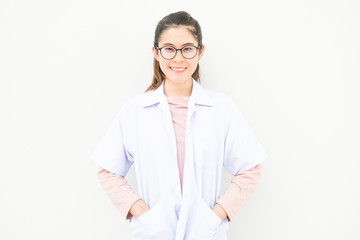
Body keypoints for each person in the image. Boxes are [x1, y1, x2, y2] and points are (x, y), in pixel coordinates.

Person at [91, 11, 268, 240]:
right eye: (169, 48)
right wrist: (143, 215)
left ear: (200, 51)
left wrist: (214, 217)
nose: (178, 58)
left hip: (205, 234)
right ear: (156, 52)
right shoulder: (135, 111)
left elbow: (250, 169)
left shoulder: (222, 109)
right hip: (153, 233)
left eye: (187, 48)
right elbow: (108, 171)